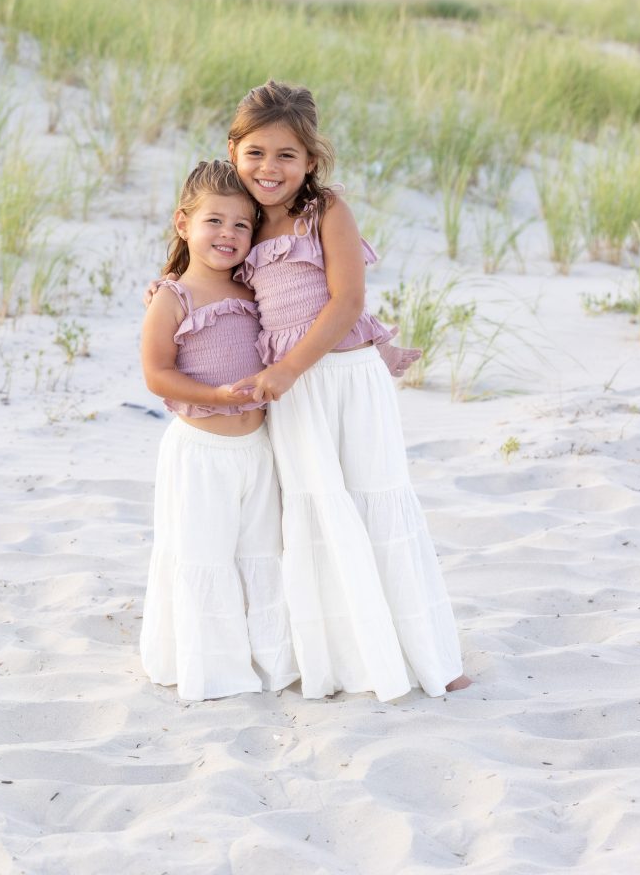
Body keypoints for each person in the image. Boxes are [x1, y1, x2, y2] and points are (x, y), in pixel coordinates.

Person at [225, 80, 471, 701]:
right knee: (316, 512)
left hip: (341, 378)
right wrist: (167, 291)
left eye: (286, 155)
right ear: (234, 151)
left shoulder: (324, 211)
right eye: (255, 152)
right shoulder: (242, 219)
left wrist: (289, 369)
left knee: (374, 499)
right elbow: (205, 272)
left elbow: (348, 301)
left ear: (311, 161)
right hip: (292, 393)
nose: (269, 168)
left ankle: (428, 656)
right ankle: (345, 660)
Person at [139, 158, 299, 701]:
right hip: (201, 453)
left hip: (256, 451)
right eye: (214, 222)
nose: (228, 234)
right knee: (203, 555)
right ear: (184, 223)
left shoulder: (252, 291)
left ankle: (270, 663)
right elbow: (156, 372)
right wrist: (214, 397)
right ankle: (213, 671)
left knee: (261, 556)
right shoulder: (172, 296)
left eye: (241, 225)